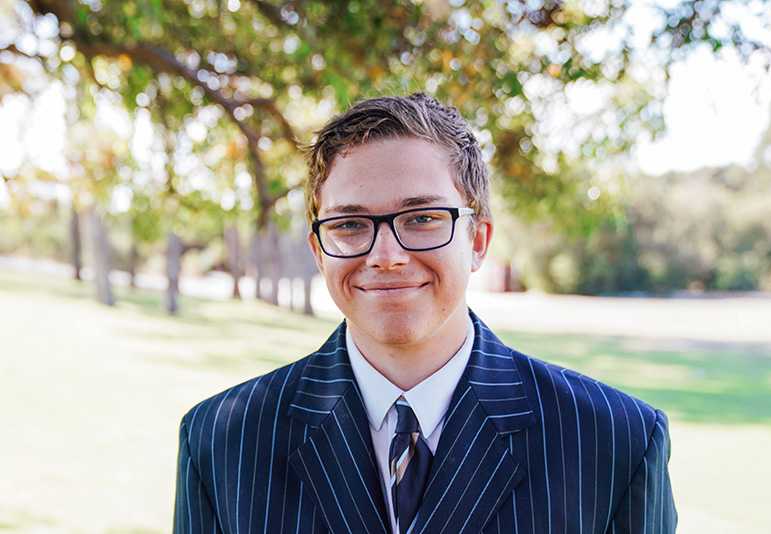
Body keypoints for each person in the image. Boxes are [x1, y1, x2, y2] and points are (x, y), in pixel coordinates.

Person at [173, 93, 677, 534]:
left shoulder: (617, 441)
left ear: (477, 240)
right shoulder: (221, 442)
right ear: (318, 249)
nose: (386, 255)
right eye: (350, 224)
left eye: (421, 218)